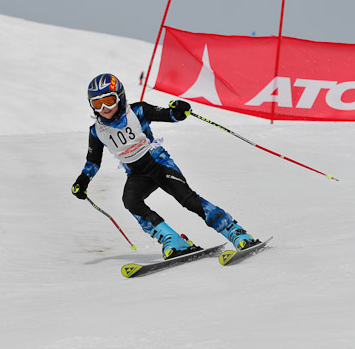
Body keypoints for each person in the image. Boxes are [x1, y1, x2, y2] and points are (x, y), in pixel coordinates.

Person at [71, 73, 259, 259]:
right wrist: (83, 181)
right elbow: (93, 162)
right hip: (137, 174)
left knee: (188, 199)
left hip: (159, 164)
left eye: (109, 100)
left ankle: (235, 232)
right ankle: (173, 240)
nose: (104, 108)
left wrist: (178, 111)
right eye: (97, 103)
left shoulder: (137, 112)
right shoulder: (96, 131)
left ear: (120, 97)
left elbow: (168, 115)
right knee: (131, 200)